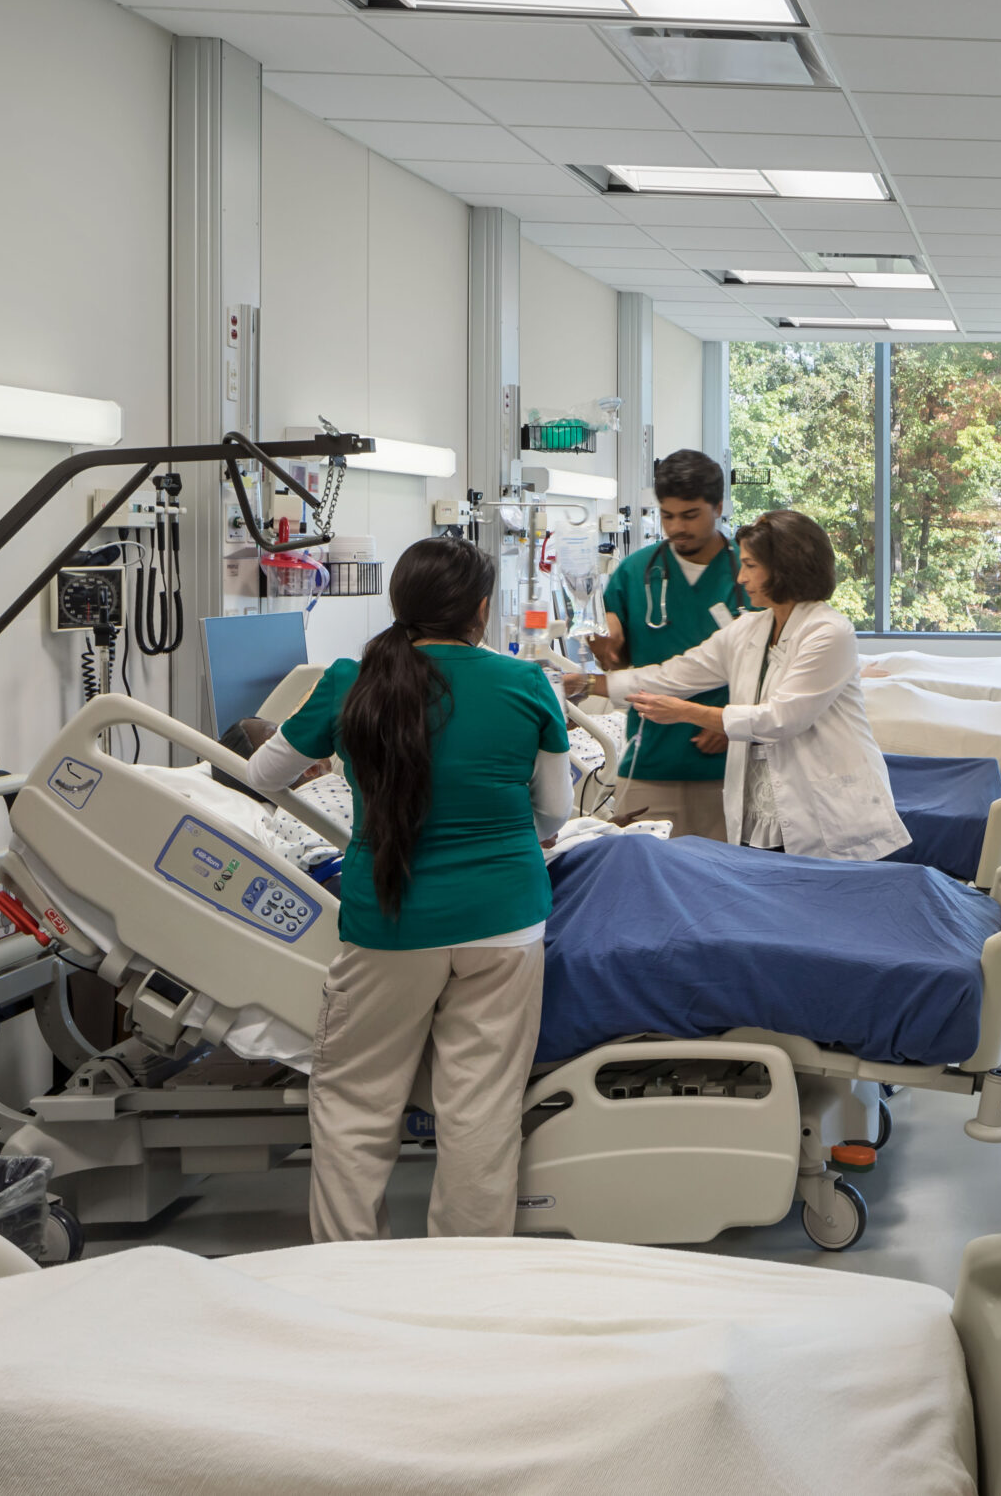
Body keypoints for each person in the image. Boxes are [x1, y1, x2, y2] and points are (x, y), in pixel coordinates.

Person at [246, 537, 572, 1242]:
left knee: (356, 1100)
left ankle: (348, 1270)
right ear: (482, 610)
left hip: (390, 921)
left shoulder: (349, 680)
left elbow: (262, 776)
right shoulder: (526, 684)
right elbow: (556, 813)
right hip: (505, 920)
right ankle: (463, 1279)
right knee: (480, 1108)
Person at [570, 509, 907, 861]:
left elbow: (781, 720)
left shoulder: (828, 631)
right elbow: (674, 675)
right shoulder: (750, 629)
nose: (741, 579)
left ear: (785, 568)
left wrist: (688, 712)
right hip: (761, 812)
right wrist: (588, 683)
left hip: (827, 813)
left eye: (751, 566)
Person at [590, 449, 747, 840]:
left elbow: (777, 666)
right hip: (650, 763)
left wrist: (733, 719)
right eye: (668, 515)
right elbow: (618, 660)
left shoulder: (751, 572)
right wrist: (608, 648)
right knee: (640, 882)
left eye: (690, 515)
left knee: (725, 886)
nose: (677, 527)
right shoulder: (635, 573)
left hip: (731, 768)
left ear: (718, 506)